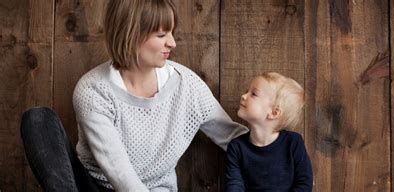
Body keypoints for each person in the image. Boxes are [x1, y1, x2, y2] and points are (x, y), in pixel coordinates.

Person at [71, 0, 247, 191]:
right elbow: (119, 173)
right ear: (130, 34)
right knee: (38, 120)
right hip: (94, 186)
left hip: (155, 188)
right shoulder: (93, 91)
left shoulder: (187, 85)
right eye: (161, 34)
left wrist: (281, 148)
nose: (172, 43)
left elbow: (232, 137)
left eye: (171, 32)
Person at [225, 72, 313, 191]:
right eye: (247, 91)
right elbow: (234, 185)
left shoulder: (293, 143)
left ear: (274, 112)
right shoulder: (236, 147)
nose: (243, 96)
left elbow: (304, 184)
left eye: (254, 94)